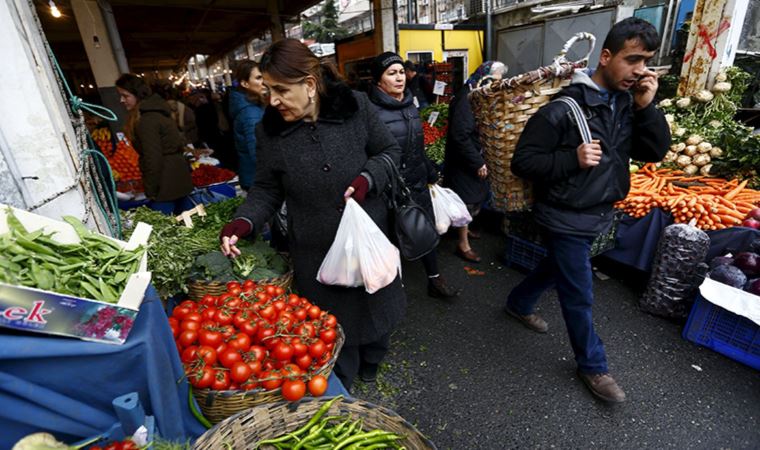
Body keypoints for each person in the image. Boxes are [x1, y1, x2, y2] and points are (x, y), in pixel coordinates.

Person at [218, 39, 407, 391]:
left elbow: (388, 151)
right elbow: (266, 189)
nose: (272, 100)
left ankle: (374, 360)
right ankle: (345, 380)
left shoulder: (356, 108)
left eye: (280, 90)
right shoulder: (270, 132)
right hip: (316, 249)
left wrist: (368, 178)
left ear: (309, 84)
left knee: (378, 306)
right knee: (335, 327)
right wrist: (244, 221)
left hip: (368, 236)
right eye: (267, 89)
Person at [505, 18, 671, 403]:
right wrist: (571, 160)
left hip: (599, 210)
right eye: (632, 60)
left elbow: (654, 153)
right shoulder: (563, 109)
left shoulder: (627, 104)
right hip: (564, 213)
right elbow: (523, 162)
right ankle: (593, 366)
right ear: (606, 56)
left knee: (558, 267)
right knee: (579, 292)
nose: (640, 70)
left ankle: (518, 303)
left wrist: (648, 108)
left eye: (645, 61)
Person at [368, 52, 459, 299]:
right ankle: (393, 290)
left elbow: (417, 145)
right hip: (391, 188)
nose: (399, 78)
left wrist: (429, 171)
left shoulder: (410, 103)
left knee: (425, 230)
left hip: (417, 182)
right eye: (391, 73)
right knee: (393, 238)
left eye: (400, 72)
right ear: (378, 80)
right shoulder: (371, 112)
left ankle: (434, 279)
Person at [443, 61, 508, 263]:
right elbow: (459, 135)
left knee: (474, 197)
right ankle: (463, 245)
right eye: (491, 81)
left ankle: (466, 229)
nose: (493, 85)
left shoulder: (478, 94)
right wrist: (477, 162)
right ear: (482, 76)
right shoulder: (466, 98)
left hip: (471, 155)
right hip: (463, 160)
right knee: (466, 201)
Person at [115, 74, 193, 215]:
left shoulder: (146, 121)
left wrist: (150, 190)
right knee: (188, 220)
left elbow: (153, 157)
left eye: (125, 96)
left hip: (165, 183)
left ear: (137, 95)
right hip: (176, 176)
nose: (121, 100)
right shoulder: (156, 112)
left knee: (162, 227)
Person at [229, 60, 266, 190]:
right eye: (258, 78)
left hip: (253, 178)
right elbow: (258, 153)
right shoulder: (251, 113)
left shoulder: (252, 107)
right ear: (245, 83)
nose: (264, 82)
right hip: (259, 181)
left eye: (264, 76)